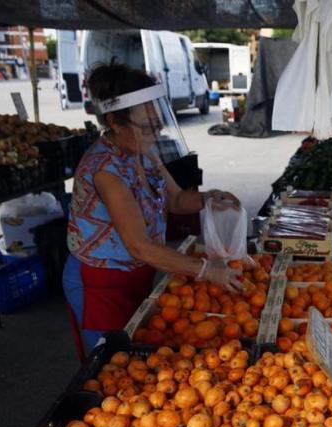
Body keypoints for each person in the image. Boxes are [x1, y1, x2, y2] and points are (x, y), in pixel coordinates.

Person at [63, 63, 243, 354]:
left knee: (137, 348)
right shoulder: (105, 169)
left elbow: (175, 200)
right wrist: (206, 270)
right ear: (115, 121)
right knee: (113, 364)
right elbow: (139, 246)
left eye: (158, 123)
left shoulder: (143, 154)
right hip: (101, 284)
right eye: (147, 127)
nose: (156, 132)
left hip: (140, 274)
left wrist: (209, 197)